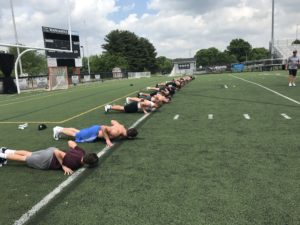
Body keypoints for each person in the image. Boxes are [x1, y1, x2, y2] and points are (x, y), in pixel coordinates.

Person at [0, 141, 98, 175]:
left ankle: (6, 151)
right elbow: (57, 153)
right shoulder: (74, 164)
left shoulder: (82, 152)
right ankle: (2, 155)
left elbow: (70, 142)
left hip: (50, 150)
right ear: (87, 164)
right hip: (48, 160)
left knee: (29, 154)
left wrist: (71, 150)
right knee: (24, 159)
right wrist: (63, 165)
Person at [53, 120, 138, 147]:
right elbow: (103, 127)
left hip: (95, 129)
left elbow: (113, 121)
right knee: (76, 135)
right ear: (129, 136)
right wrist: (108, 140)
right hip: (94, 132)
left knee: (78, 131)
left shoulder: (121, 126)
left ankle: (60, 128)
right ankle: (58, 130)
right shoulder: (117, 132)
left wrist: (111, 128)